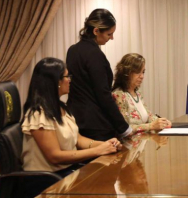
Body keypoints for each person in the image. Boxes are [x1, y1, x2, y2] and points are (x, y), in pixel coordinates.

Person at [21, 58, 122, 186]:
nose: (69, 80)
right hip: (47, 183)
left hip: (65, 174)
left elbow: (78, 140)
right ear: (55, 81)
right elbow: (54, 156)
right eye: (66, 76)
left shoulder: (61, 107)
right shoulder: (38, 114)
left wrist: (105, 144)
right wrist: (98, 151)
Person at [66, 9, 132, 141]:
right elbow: (103, 94)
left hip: (75, 118)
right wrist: (124, 127)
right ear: (96, 31)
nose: (111, 38)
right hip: (95, 123)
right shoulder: (95, 55)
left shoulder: (72, 50)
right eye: (109, 34)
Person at [112, 53, 171, 133]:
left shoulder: (137, 93)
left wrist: (162, 122)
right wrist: (151, 126)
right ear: (126, 73)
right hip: (128, 144)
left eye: (143, 72)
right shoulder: (118, 94)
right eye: (137, 72)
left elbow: (148, 115)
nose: (142, 76)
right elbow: (125, 128)